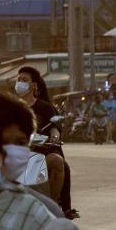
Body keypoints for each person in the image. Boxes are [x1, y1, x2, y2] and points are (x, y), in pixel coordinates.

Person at [16, 66, 70, 215]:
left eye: (24, 80)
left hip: (40, 154)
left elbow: (53, 127)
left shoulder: (45, 107)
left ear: (34, 85)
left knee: (58, 161)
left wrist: (55, 136)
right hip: (17, 155)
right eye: (18, 79)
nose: (20, 82)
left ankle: (52, 208)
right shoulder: (12, 107)